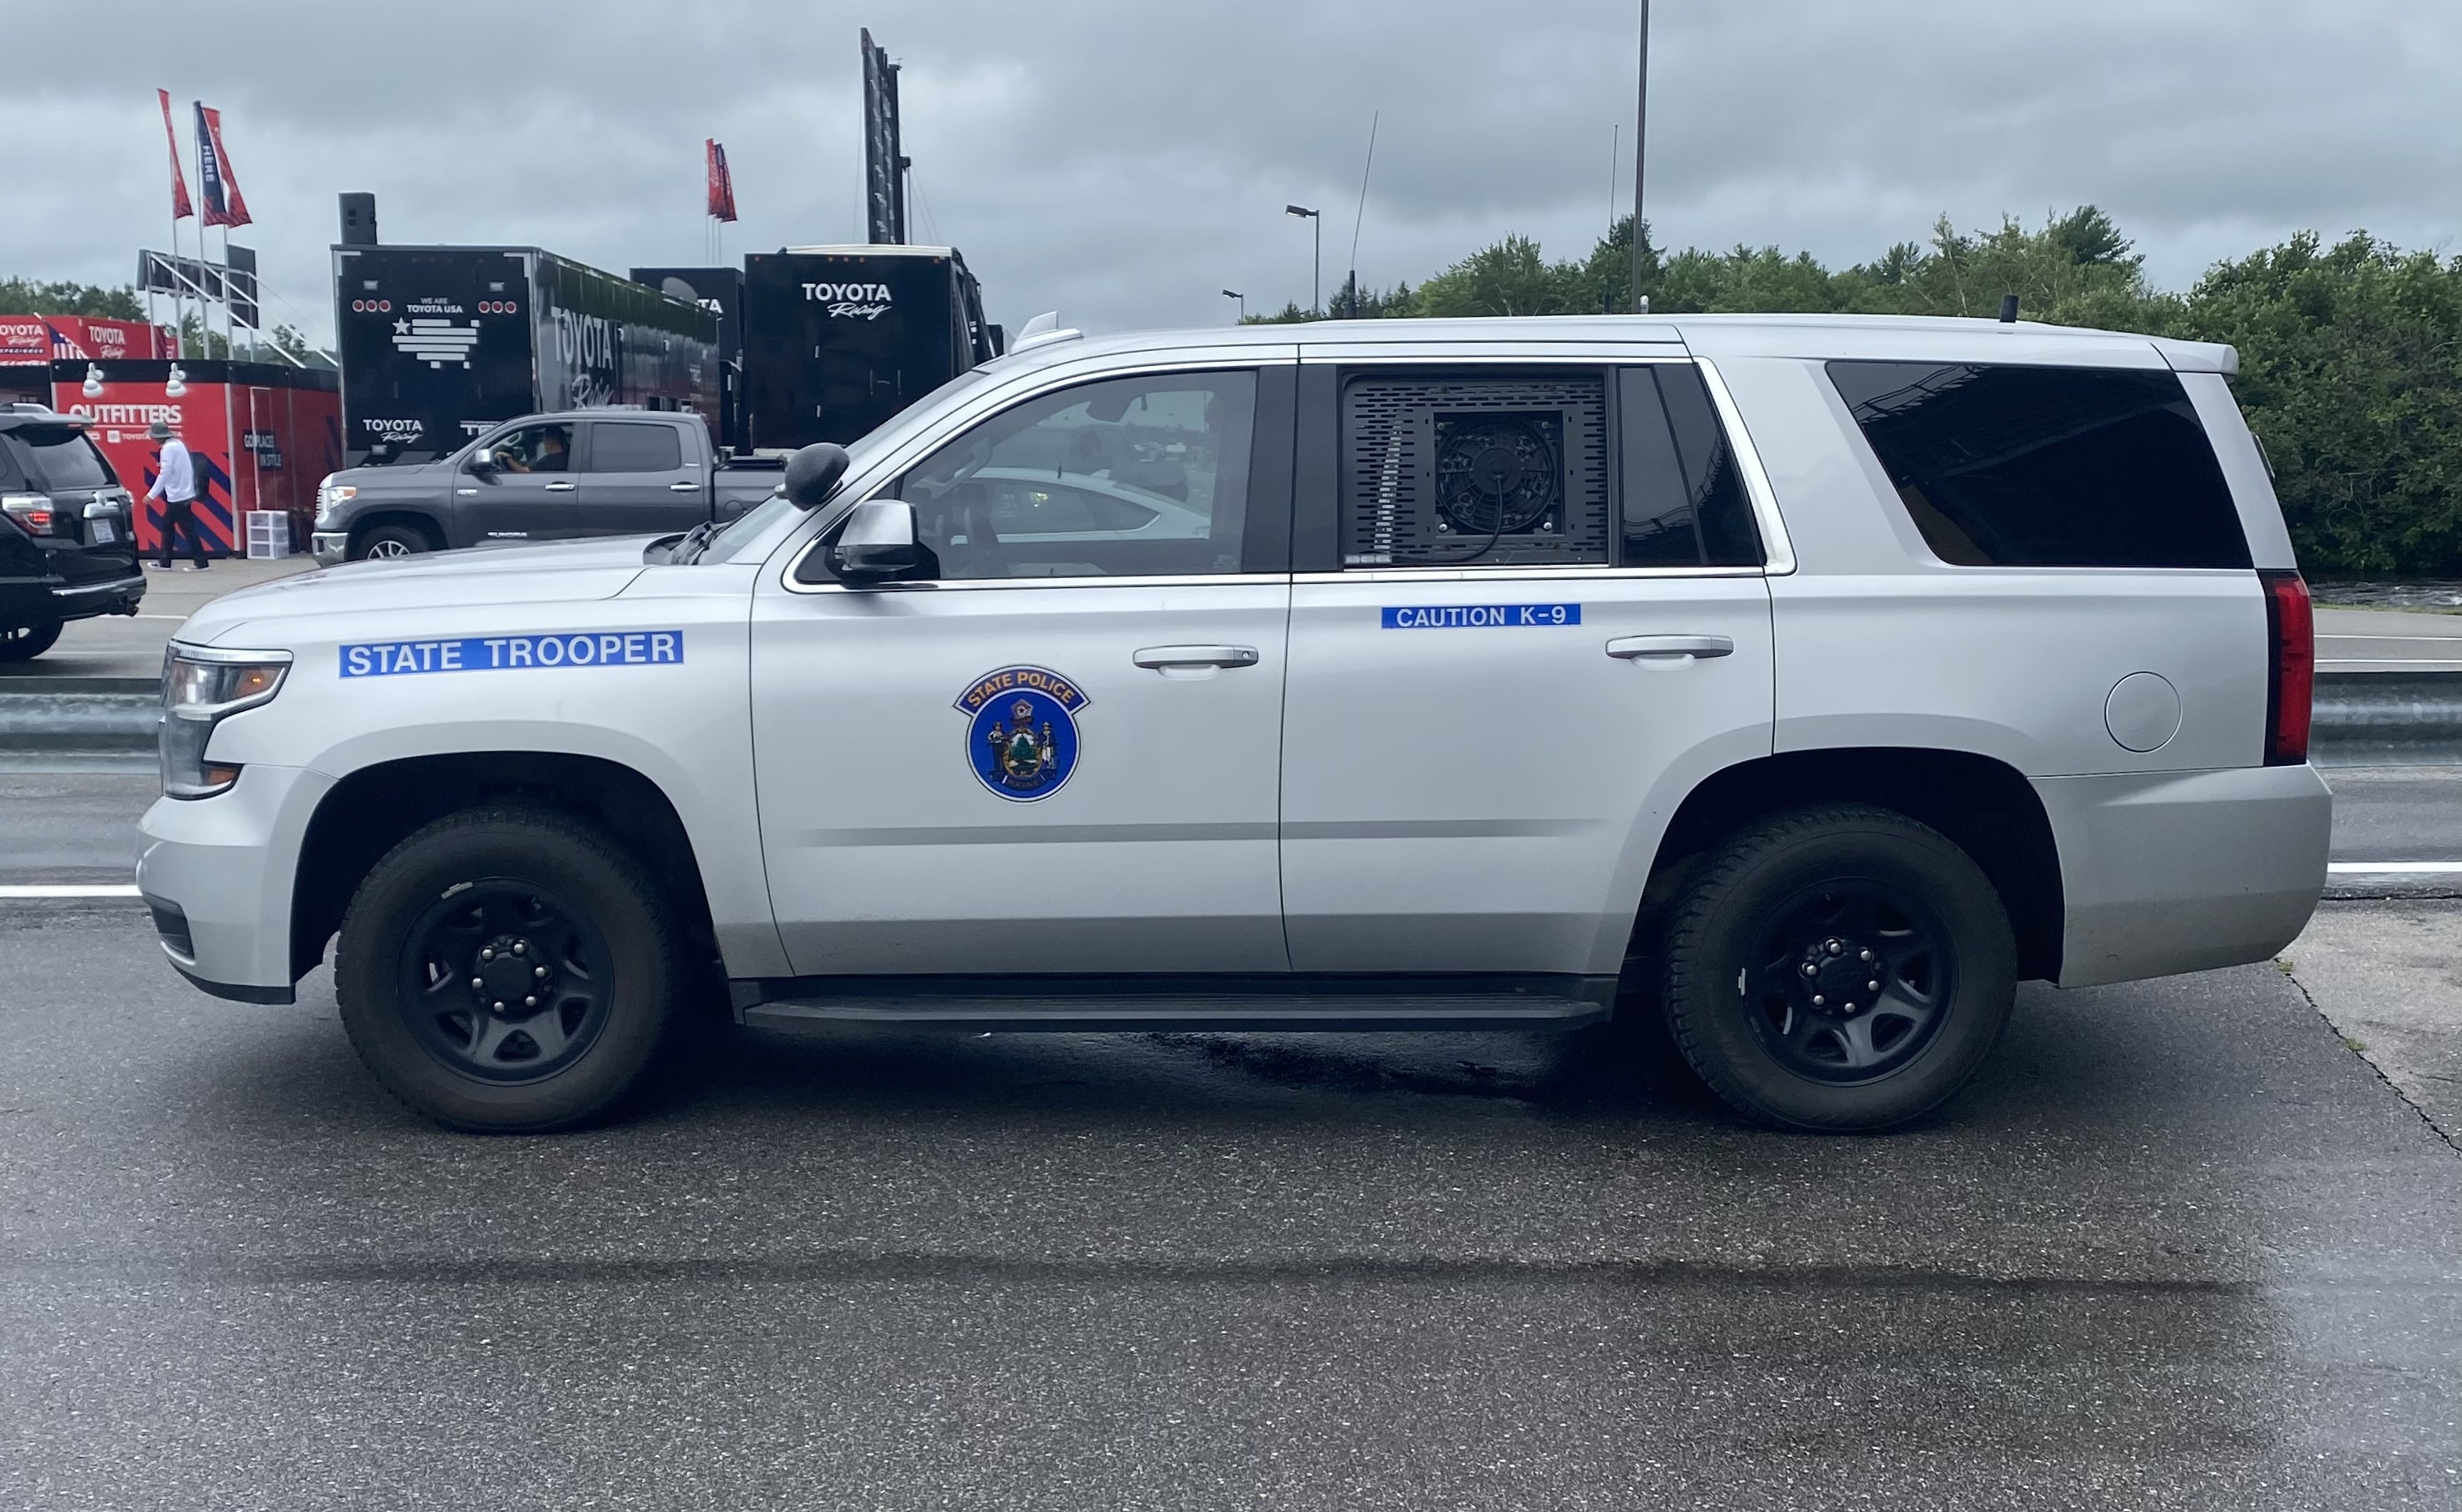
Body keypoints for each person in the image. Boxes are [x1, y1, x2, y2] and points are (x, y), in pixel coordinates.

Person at [144, 421, 208, 571]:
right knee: (170, 527)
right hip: (184, 494)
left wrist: (151, 494)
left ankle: (199, 563)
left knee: (183, 529)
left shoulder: (167, 449)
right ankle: (166, 561)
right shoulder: (178, 444)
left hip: (177, 496)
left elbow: (164, 473)